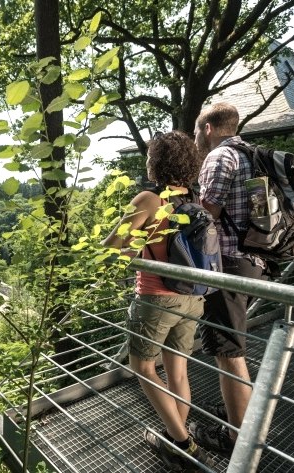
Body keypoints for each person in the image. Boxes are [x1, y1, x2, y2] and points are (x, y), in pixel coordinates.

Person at [102, 131, 213, 471]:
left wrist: (133, 248)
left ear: (159, 162)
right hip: (192, 298)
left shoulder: (149, 199)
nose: (147, 161)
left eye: (150, 156)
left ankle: (183, 445)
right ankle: (175, 438)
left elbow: (110, 247)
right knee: (177, 371)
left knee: (143, 367)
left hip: (155, 297)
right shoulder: (190, 196)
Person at [189, 102, 264, 453]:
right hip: (255, 259)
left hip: (229, 264)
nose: (194, 142)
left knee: (228, 352)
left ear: (207, 129)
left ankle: (238, 439)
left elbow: (206, 214)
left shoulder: (220, 157)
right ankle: (241, 416)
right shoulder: (252, 153)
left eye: (195, 134)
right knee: (231, 345)